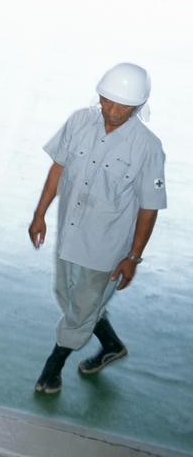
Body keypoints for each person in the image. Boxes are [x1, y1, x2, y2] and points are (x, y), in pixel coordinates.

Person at [28, 63, 167, 394]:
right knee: (66, 296)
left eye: (123, 106)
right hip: (70, 234)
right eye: (107, 101)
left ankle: (53, 367)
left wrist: (133, 257)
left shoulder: (147, 147)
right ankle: (111, 344)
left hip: (106, 247)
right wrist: (39, 214)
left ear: (139, 106)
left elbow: (149, 207)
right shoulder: (79, 121)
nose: (113, 111)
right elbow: (58, 169)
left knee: (80, 310)